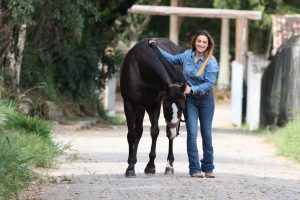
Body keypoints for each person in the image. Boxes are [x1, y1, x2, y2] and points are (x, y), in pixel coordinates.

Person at [149, 30, 219, 178]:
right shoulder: (187, 55)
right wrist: (156, 47)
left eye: (204, 42)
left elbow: (210, 84)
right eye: (199, 41)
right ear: (195, 42)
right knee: (192, 134)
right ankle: (194, 169)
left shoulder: (211, 62)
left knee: (206, 134)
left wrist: (192, 89)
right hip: (190, 101)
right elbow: (171, 59)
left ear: (208, 45)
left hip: (206, 100)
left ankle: (208, 166)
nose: (201, 44)